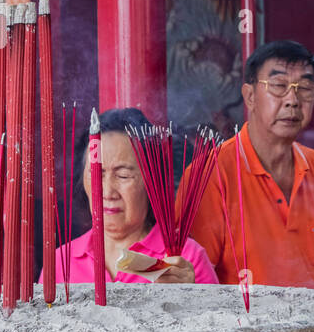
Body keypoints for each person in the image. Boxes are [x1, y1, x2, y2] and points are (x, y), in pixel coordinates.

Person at [182, 40, 314, 293]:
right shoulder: (210, 175)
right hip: (245, 331)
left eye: (305, 88)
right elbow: (195, 284)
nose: (293, 100)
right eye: (279, 86)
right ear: (250, 96)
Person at [45, 107, 217, 287]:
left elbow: (213, 315)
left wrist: (190, 296)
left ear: (152, 182)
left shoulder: (184, 258)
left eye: (123, 176)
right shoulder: (62, 261)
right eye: (96, 174)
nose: (108, 192)